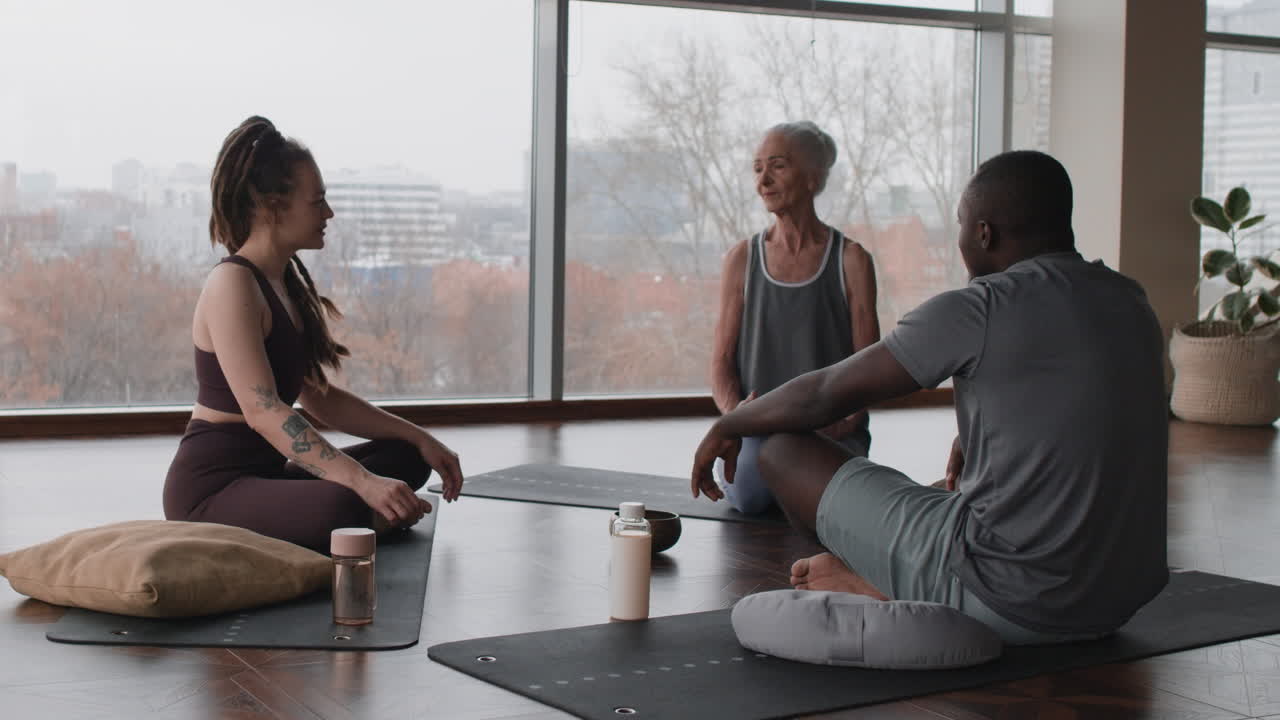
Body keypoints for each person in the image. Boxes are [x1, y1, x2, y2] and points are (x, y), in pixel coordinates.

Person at [692, 150, 1169, 644]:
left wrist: (732, 422)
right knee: (942, 490)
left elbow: (824, 393)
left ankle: (875, 583)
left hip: (1013, 600)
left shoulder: (982, 307)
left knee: (783, 452)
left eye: (961, 225)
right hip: (1119, 601)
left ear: (984, 233)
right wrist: (973, 437)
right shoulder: (1129, 299)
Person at [163, 116, 464, 551]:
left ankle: (374, 512)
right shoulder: (232, 284)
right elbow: (263, 410)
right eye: (317, 201)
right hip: (212, 491)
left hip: (267, 474)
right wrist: (363, 484)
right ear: (272, 205)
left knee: (405, 458)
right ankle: (368, 514)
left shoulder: (281, 284)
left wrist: (421, 437)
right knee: (343, 507)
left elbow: (319, 397)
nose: (328, 213)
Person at [709, 121, 879, 515]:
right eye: (757, 168)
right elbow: (720, 364)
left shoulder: (852, 260)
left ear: (813, 178)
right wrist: (736, 419)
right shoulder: (741, 259)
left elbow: (871, 368)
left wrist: (842, 423)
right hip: (758, 428)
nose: (763, 180)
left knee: (830, 504)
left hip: (830, 430)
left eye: (778, 166)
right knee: (753, 497)